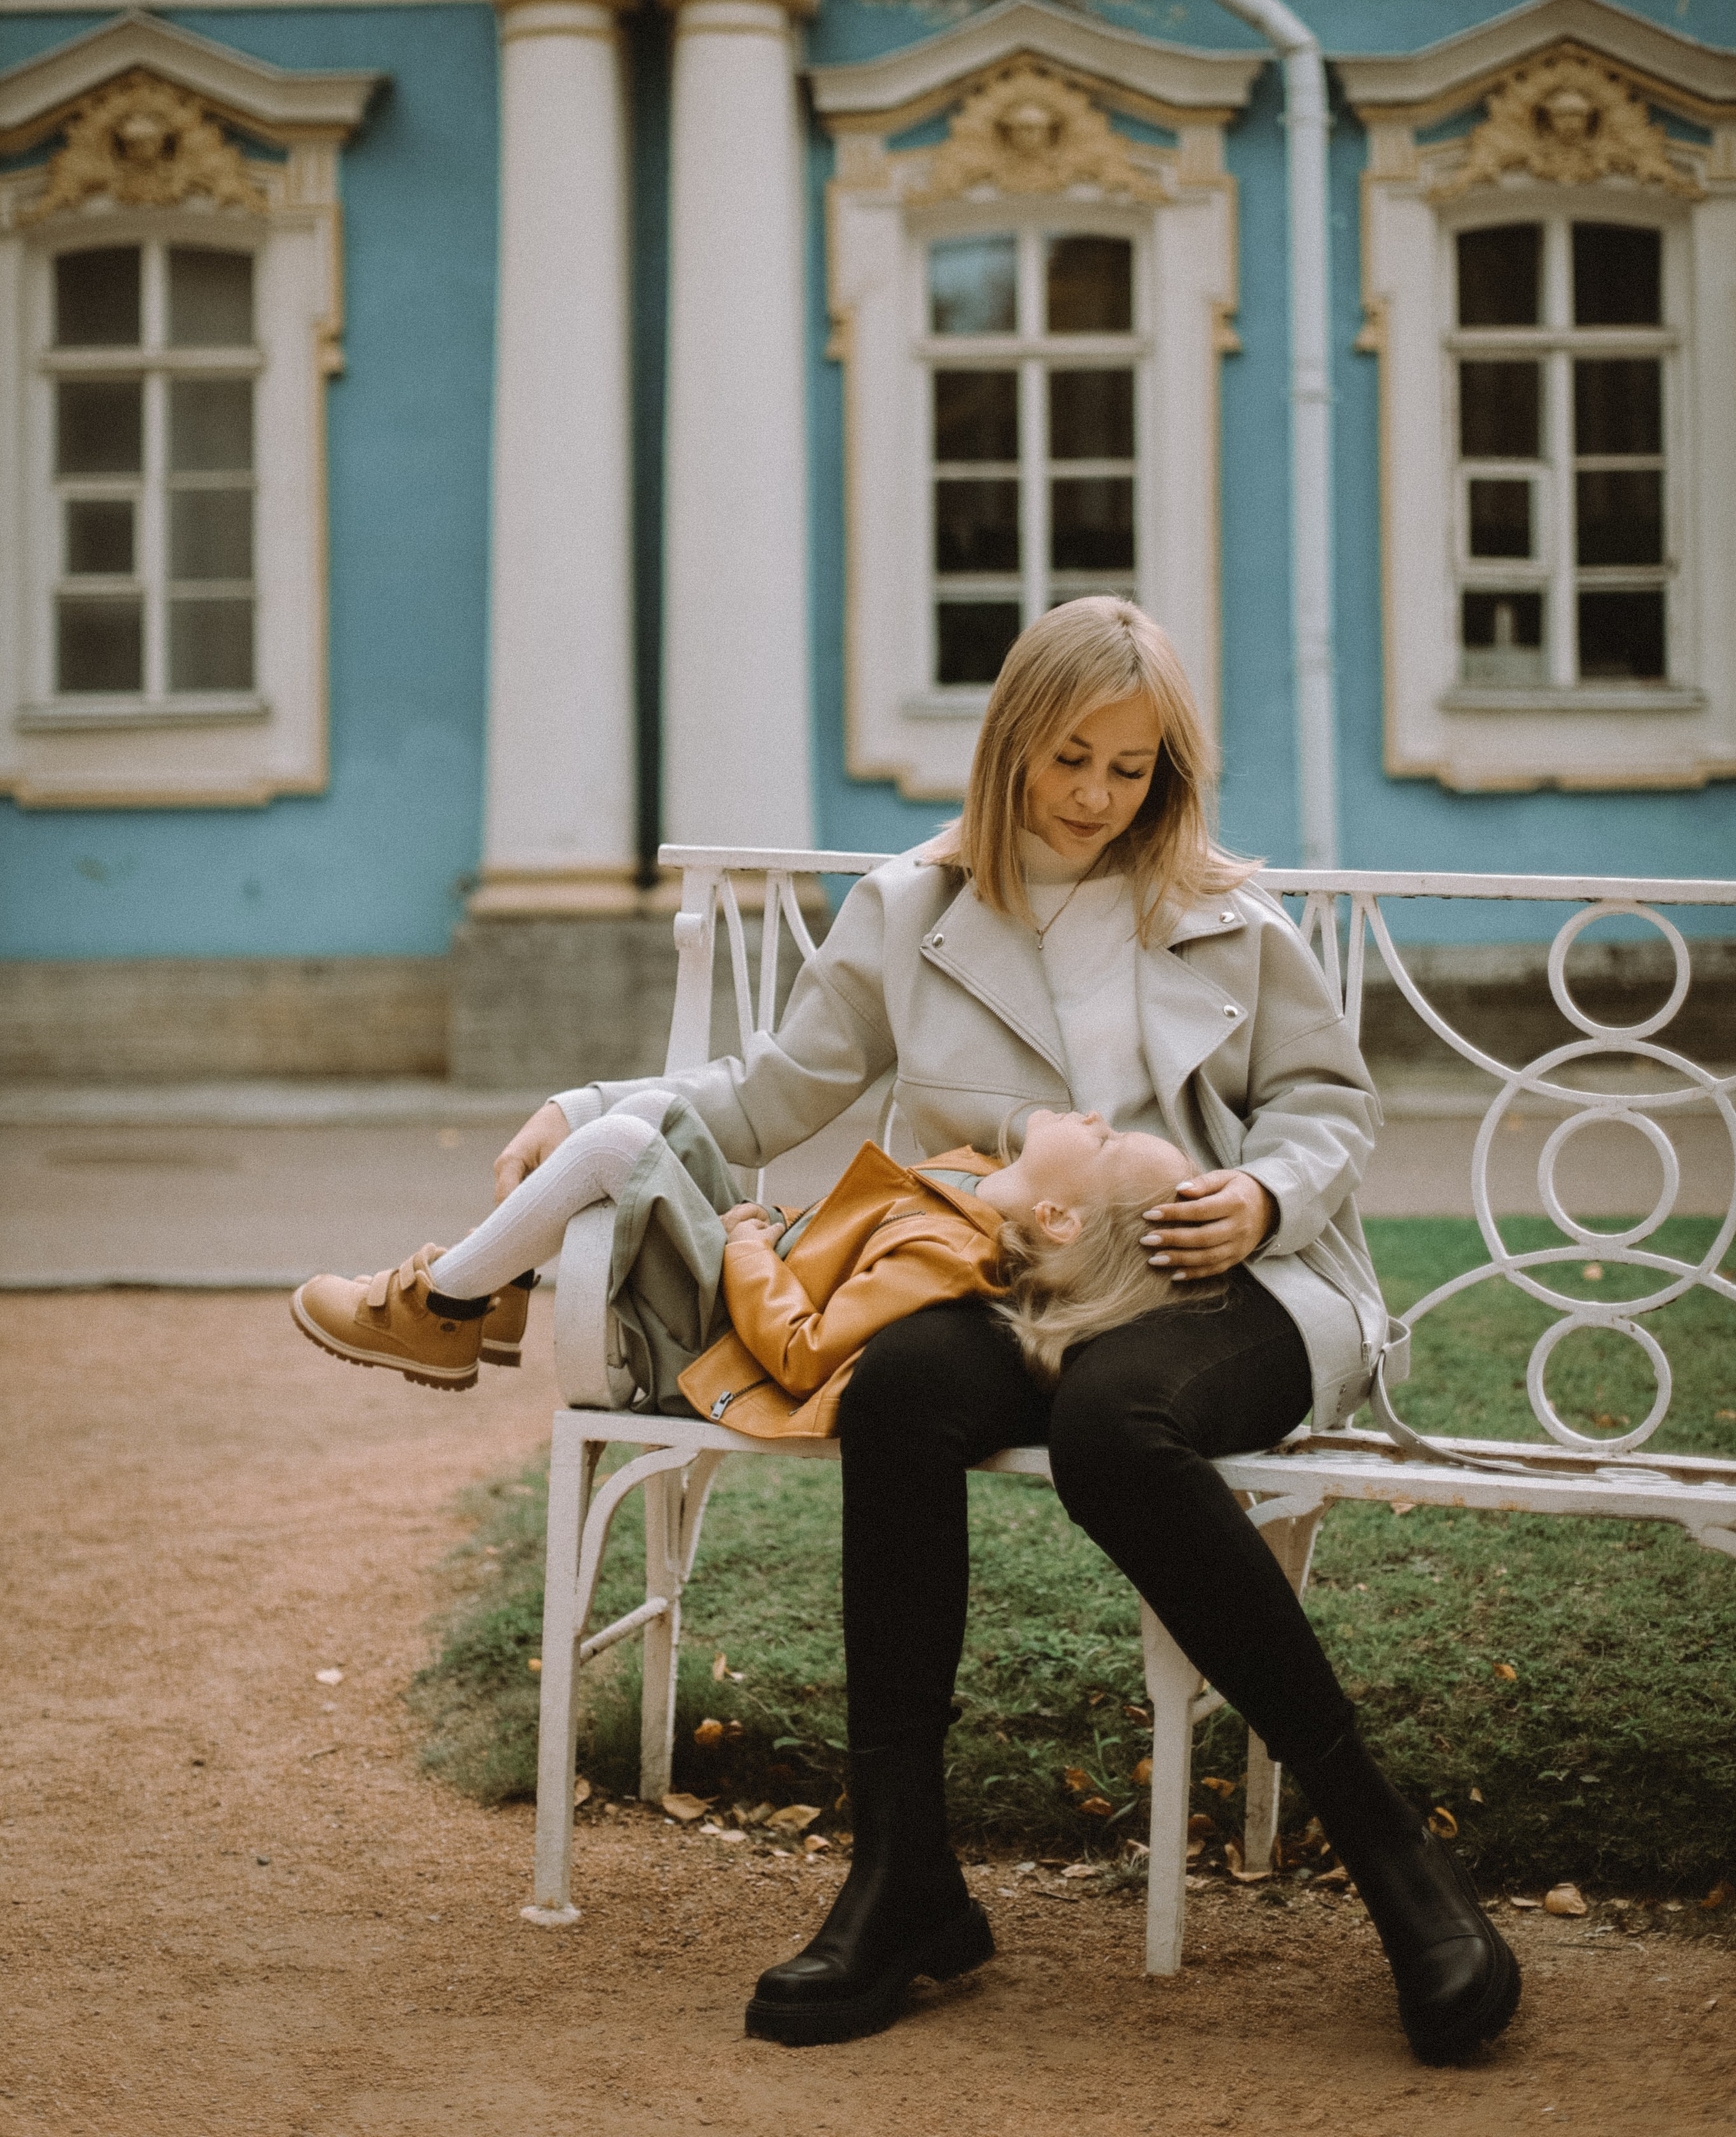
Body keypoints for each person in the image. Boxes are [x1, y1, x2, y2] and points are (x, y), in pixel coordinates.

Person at [361, 597, 1524, 2063]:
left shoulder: (1225, 914)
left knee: (1116, 1427)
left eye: (1132, 768)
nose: (1099, 797)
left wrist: (1259, 1193)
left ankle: (1392, 1860)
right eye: (1069, 760)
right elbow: (770, 1094)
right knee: (900, 1381)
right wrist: (594, 1111)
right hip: (1001, 1281)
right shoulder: (909, 911)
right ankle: (904, 1875)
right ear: (1007, 749)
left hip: (1227, 1288)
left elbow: (1328, 1106)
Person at [290, 1103, 1194, 1426]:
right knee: (668, 1120)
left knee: (619, 1147)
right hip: (734, 1279)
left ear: (1058, 1219)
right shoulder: (973, 1187)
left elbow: (801, 1353)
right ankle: (490, 1301)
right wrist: (761, 1241)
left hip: (717, 1342)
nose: (1094, 1116)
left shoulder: (947, 1253)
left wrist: (754, 1246)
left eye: (1109, 1141)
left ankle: (444, 1306)